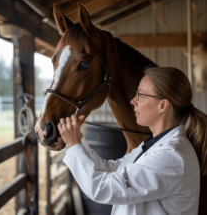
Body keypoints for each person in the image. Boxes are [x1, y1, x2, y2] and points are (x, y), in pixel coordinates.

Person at [58, 67, 207, 215]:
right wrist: (77, 139)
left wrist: (74, 145)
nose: (132, 101)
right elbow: (110, 169)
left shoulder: (171, 156)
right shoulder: (154, 145)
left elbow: (102, 188)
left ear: (163, 105)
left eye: (140, 95)